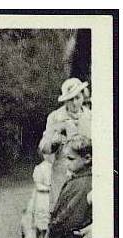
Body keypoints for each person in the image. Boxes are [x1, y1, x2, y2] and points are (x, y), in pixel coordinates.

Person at [39, 78, 92, 210]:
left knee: (84, 210)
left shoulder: (91, 116)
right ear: (65, 101)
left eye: (77, 98)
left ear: (83, 96)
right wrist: (53, 142)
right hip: (62, 172)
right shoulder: (55, 117)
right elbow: (43, 147)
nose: (74, 103)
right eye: (70, 100)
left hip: (85, 173)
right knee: (61, 210)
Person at [48, 135, 92, 238]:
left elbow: (71, 214)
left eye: (71, 159)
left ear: (87, 159)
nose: (67, 163)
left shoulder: (84, 184)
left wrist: (54, 227)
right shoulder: (76, 179)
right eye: (66, 158)